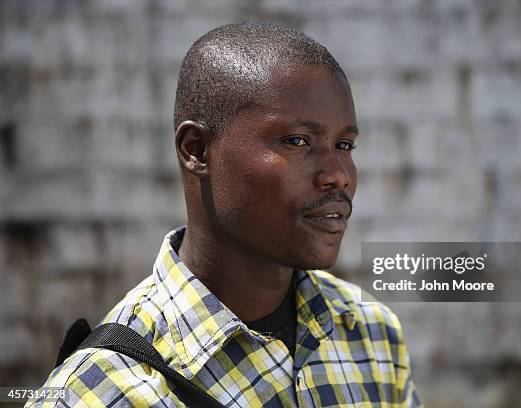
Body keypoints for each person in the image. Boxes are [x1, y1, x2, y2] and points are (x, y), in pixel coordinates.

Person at [29, 22, 423, 407]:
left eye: (344, 144)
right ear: (197, 150)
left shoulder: (369, 332)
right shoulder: (103, 392)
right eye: (297, 141)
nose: (337, 174)